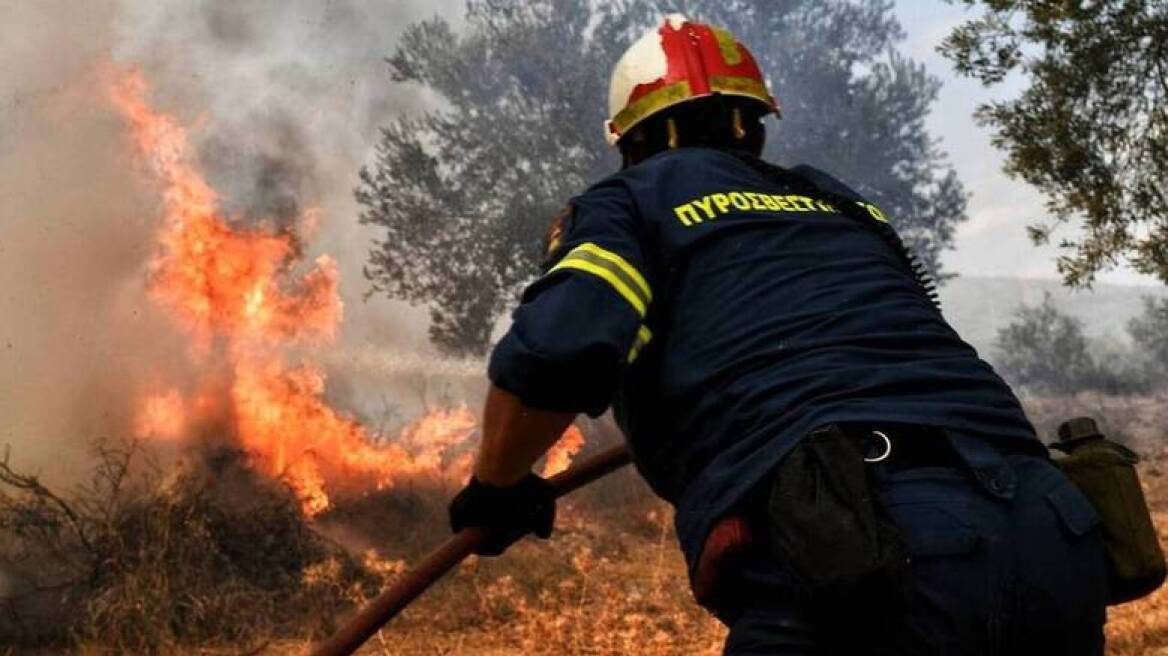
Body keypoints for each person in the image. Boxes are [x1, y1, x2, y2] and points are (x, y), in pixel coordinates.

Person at [448, 14, 1109, 655]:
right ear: (755, 130)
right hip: (1057, 535)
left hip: (865, 546)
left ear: (635, 143)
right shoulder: (843, 206)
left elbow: (559, 349)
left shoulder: (629, 202)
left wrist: (495, 487)